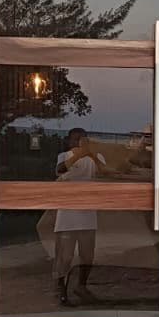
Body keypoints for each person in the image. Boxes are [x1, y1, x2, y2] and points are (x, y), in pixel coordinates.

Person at [53, 128, 106, 305]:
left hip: (88, 213)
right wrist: (77, 155)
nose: (79, 143)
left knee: (87, 255)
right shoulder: (64, 156)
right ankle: (62, 289)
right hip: (67, 214)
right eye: (75, 140)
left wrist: (91, 154)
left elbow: (105, 173)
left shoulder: (96, 157)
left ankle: (81, 286)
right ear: (69, 141)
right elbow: (60, 170)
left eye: (82, 140)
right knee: (65, 256)